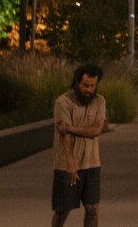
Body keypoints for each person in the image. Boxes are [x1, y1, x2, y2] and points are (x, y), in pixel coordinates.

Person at [52, 63, 107, 227]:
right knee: (63, 209)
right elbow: (64, 136)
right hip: (68, 164)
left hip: (92, 163)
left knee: (93, 208)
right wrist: (70, 163)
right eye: (85, 85)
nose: (89, 90)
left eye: (92, 86)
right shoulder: (63, 102)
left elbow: (96, 130)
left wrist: (70, 127)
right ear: (77, 82)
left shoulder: (99, 101)